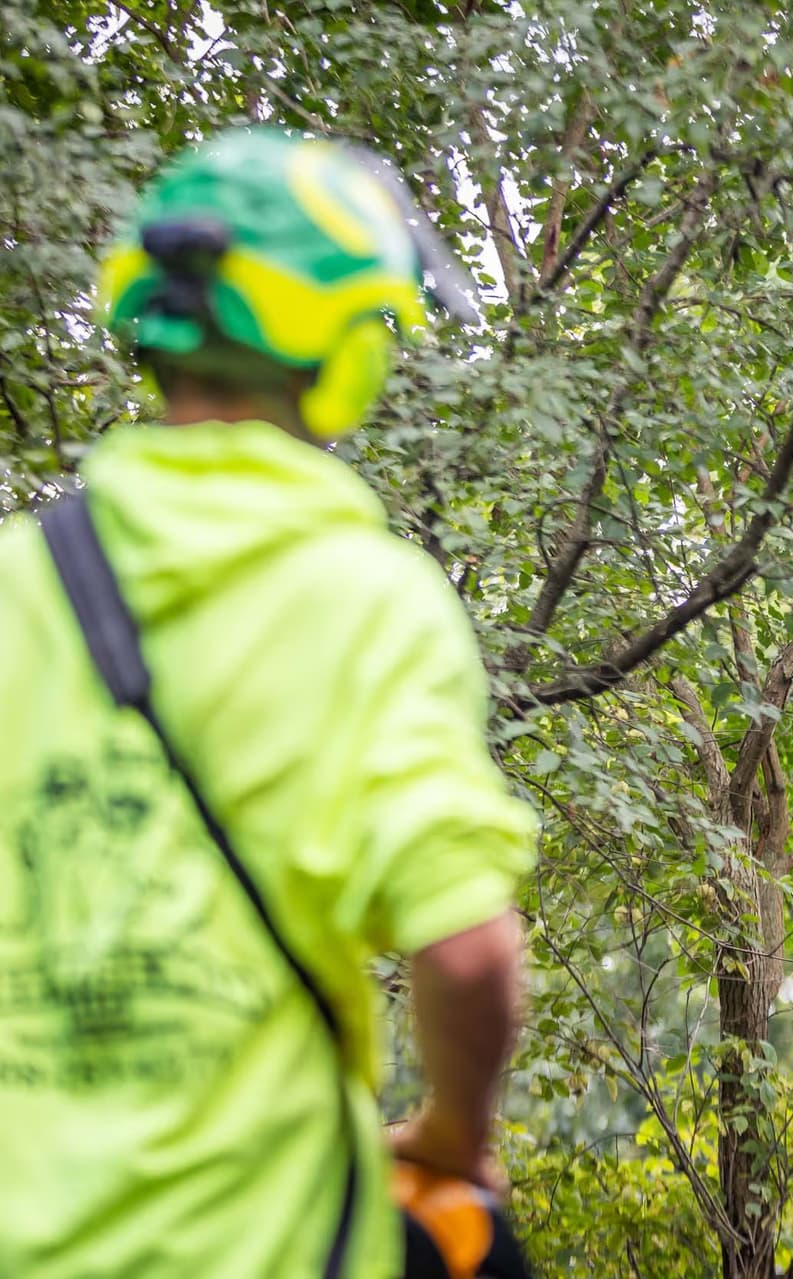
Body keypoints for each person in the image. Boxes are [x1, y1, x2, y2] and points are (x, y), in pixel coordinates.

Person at [0, 129, 536, 1278]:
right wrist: (454, 1135)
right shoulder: (370, 603)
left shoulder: (15, 584)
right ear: (342, 352)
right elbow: (469, 954)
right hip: (265, 1244)